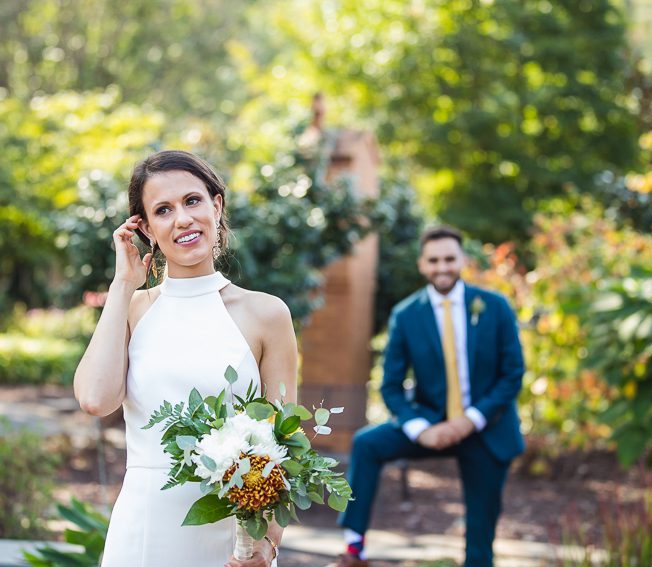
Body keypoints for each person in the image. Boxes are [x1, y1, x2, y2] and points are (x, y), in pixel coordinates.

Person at [74, 150, 296, 567]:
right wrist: (123, 285)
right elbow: (94, 399)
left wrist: (267, 543)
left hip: (232, 538)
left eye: (192, 201)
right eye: (163, 210)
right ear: (146, 229)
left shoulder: (267, 314)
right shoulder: (133, 309)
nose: (182, 219)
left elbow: (283, 443)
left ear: (216, 205)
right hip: (143, 531)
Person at [335, 225, 525, 567]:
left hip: (486, 428)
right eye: (434, 260)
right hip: (432, 425)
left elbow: (512, 375)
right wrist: (420, 428)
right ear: (422, 265)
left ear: (462, 260)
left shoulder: (494, 307)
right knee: (367, 443)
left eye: (449, 259)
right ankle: (354, 549)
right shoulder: (407, 315)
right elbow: (390, 385)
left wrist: (470, 420)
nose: (442, 267)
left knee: (480, 543)